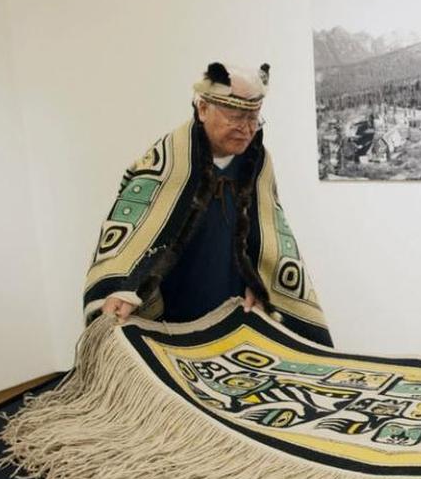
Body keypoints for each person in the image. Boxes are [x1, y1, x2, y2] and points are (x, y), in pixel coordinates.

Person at [83, 62, 332, 346]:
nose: (247, 130)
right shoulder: (170, 157)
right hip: (177, 300)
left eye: (254, 119)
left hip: (233, 297)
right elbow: (133, 225)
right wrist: (124, 288)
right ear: (203, 109)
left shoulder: (258, 161)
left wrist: (259, 283)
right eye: (236, 118)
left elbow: (270, 230)